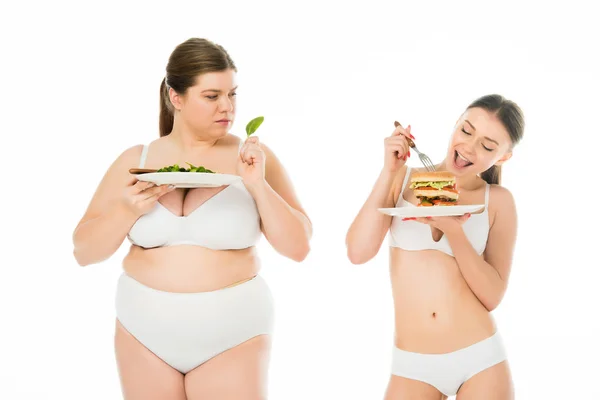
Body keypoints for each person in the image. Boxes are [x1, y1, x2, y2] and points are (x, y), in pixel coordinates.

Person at [72, 38, 312, 400]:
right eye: (212, 96)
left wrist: (258, 186)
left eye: (232, 94)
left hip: (232, 336)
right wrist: (126, 210)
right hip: (143, 335)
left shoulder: (254, 158)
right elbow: (83, 252)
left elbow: (298, 248)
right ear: (176, 97)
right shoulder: (137, 160)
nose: (227, 107)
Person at [346, 94, 524, 399]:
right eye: (466, 131)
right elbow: (358, 252)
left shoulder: (497, 200)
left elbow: (493, 296)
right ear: (455, 125)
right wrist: (389, 171)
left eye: (488, 146)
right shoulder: (405, 179)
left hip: (479, 357)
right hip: (412, 364)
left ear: (503, 157)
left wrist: (455, 232)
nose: (469, 146)